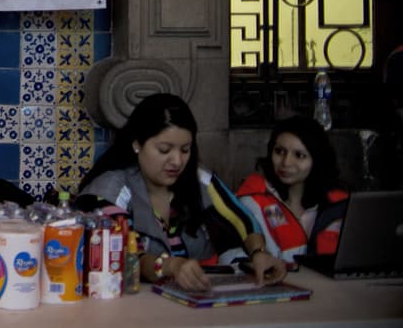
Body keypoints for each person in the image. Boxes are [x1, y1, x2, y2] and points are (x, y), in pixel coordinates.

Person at [77, 93, 287, 292]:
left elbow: (242, 218)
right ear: (137, 144)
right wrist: (170, 266)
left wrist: (259, 253)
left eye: (185, 150)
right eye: (164, 150)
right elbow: (127, 257)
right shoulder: (109, 190)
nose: (177, 161)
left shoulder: (198, 178)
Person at [235, 115, 348, 264]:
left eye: (299, 155)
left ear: (317, 160)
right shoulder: (252, 200)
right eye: (279, 151)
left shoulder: (339, 205)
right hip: (274, 284)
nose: (286, 162)